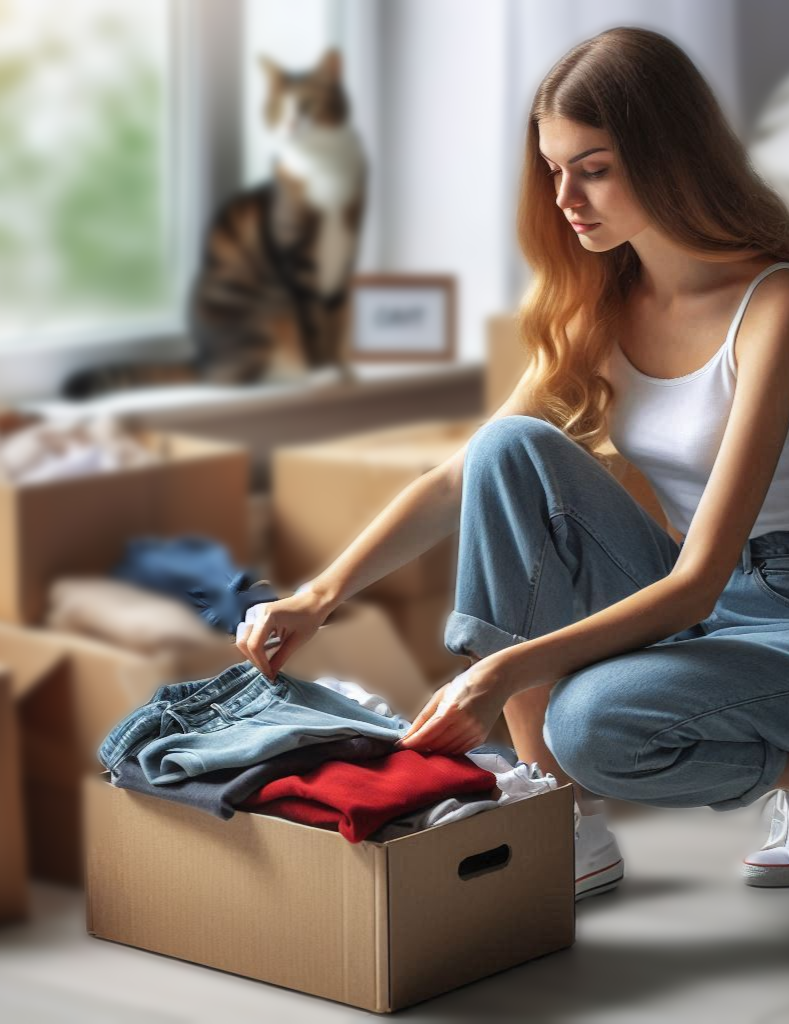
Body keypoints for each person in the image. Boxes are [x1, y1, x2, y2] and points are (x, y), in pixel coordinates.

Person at [235, 26, 789, 899]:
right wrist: (317, 595)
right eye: (554, 168)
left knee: (592, 724)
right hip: (702, 587)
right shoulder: (604, 304)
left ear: (670, 158)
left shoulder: (773, 305)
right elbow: (458, 480)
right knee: (507, 449)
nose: (566, 197)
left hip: (762, 601)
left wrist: (498, 672)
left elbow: (697, 584)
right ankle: (555, 812)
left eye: (594, 169)